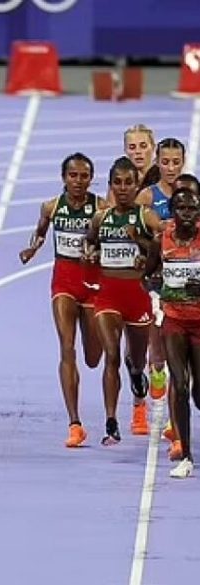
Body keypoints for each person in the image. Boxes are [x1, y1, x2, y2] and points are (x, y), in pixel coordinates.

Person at [19, 153, 105, 447]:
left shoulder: (101, 208)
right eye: (73, 176)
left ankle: (97, 349)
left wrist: (96, 253)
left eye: (84, 176)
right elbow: (40, 232)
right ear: (64, 178)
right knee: (67, 347)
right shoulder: (52, 207)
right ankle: (75, 424)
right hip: (64, 283)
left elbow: (111, 239)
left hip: (92, 285)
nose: (78, 181)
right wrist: (32, 249)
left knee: (93, 358)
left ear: (91, 179)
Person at [85, 156, 161, 444]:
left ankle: (137, 373)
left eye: (129, 182)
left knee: (137, 361)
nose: (123, 188)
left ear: (136, 185)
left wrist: (140, 243)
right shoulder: (101, 218)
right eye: (117, 182)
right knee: (112, 355)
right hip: (107, 296)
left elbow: (162, 248)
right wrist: (90, 253)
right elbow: (90, 241)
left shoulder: (146, 216)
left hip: (137, 296)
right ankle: (111, 421)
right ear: (111, 185)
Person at [145, 187, 200, 478]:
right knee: (179, 385)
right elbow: (147, 276)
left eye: (192, 209)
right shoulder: (161, 240)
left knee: (198, 392)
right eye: (182, 209)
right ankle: (186, 456)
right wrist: (158, 291)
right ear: (172, 211)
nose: (187, 214)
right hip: (174, 321)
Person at [136, 138, 186, 401]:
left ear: (183, 163)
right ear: (157, 162)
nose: (171, 168)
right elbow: (132, 233)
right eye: (165, 162)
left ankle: (174, 417)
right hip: (155, 281)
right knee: (158, 354)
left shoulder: (190, 194)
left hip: (184, 282)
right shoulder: (146, 196)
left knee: (180, 352)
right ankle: (155, 399)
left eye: (176, 162)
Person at [107, 124, 159, 206]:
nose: (138, 151)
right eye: (132, 147)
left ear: (153, 147)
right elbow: (112, 208)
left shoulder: (162, 176)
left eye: (143, 146)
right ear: (125, 150)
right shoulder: (119, 176)